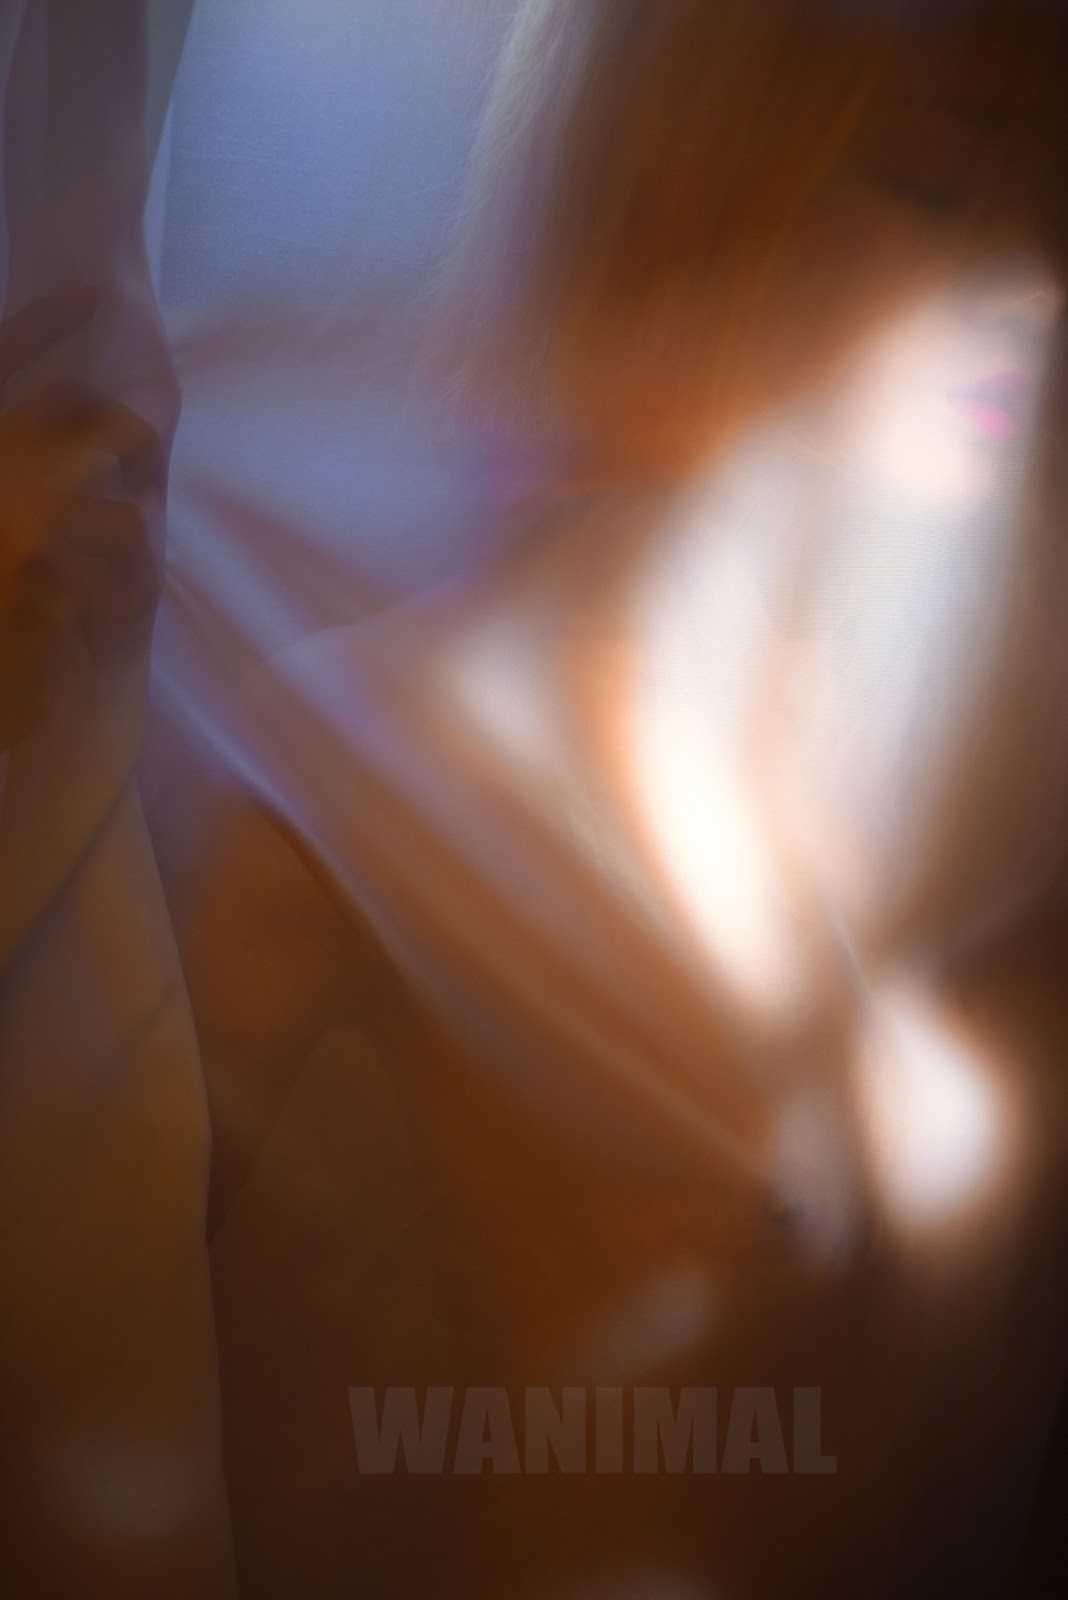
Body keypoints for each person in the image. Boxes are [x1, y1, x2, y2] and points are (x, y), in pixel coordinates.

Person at [6, 2, 1068, 1595]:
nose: (1029, 279)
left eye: (1039, 190)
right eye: (926, 182)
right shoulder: (362, 803)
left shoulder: (971, 793)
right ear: (714, 183)